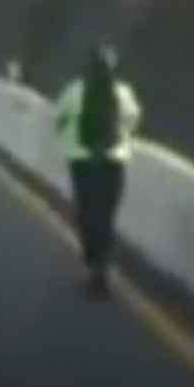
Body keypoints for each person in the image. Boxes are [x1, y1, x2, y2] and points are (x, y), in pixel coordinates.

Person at [54, 46, 142, 298]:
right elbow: (133, 120)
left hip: (82, 162)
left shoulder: (75, 90)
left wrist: (66, 137)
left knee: (85, 213)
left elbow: (58, 118)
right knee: (106, 216)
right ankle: (103, 266)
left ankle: (92, 262)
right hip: (114, 163)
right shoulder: (123, 93)